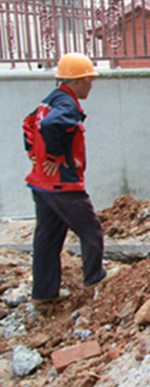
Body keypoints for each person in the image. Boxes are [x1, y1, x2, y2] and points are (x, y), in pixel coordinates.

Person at [23, 53, 111, 304]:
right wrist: (56, 156)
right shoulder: (66, 105)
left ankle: (43, 295)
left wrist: (34, 153)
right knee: (91, 231)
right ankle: (94, 278)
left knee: (47, 239)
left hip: (41, 183)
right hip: (62, 185)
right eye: (89, 80)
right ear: (79, 80)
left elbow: (28, 123)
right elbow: (51, 125)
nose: (91, 86)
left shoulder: (49, 100)